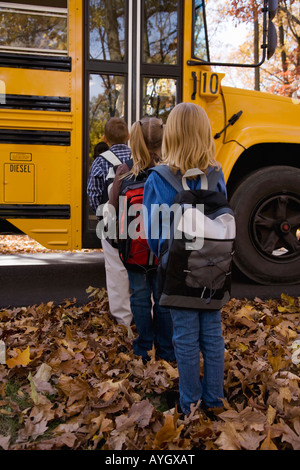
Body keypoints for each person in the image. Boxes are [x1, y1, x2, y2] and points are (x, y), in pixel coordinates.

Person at [143, 103, 227, 414]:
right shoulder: (217, 174)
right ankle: (215, 401)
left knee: (186, 340)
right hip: (214, 272)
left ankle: (189, 404)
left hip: (178, 274)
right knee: (213, 338)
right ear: (205, 134)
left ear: (171, 136)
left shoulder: (159, 179)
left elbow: (154, 235)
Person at [109, 116, 175, 363]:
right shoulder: (171, 171)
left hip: (133, 249)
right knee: (162, 299)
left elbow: (113, 207)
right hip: (163, 250)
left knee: (138, 296)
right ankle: (167, 351)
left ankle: (143, 347)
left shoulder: (124, 171)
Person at [87, 117, 133, 327]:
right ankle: (146, 311)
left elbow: (93, 194)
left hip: (112, 225)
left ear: (104, 138)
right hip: (138, 224)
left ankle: (123, 320)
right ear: (129, 137)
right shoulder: (138, 157)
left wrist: (102, 218)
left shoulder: (100, 161)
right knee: (140, 269)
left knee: (116, 271)